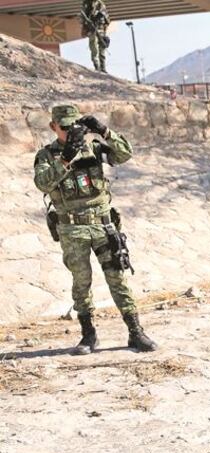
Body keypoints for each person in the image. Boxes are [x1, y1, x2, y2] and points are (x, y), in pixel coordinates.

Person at [34, 104, 157, 354]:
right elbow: (42, 183)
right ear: (53, 127)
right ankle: (88, 335)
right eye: (64, 127)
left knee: (117, 277)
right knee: (81, 282)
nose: (70, 132)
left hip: (102, 224)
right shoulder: (47, 155)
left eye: (74, 126)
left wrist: (105, 131)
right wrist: (66, 157)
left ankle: (135, 332)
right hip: (72, 229)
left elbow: (124, 155)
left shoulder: (93, 147)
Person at [81, 0, 110, 73]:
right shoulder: (87, 3)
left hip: (101, 29)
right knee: (94, 48)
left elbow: (107, 20)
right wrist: (86, 27)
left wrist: (105, 31)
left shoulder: (100, 4)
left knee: (102, 49)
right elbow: (84, 17)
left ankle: (103, 68)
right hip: (92, 29)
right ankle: (97, 66)